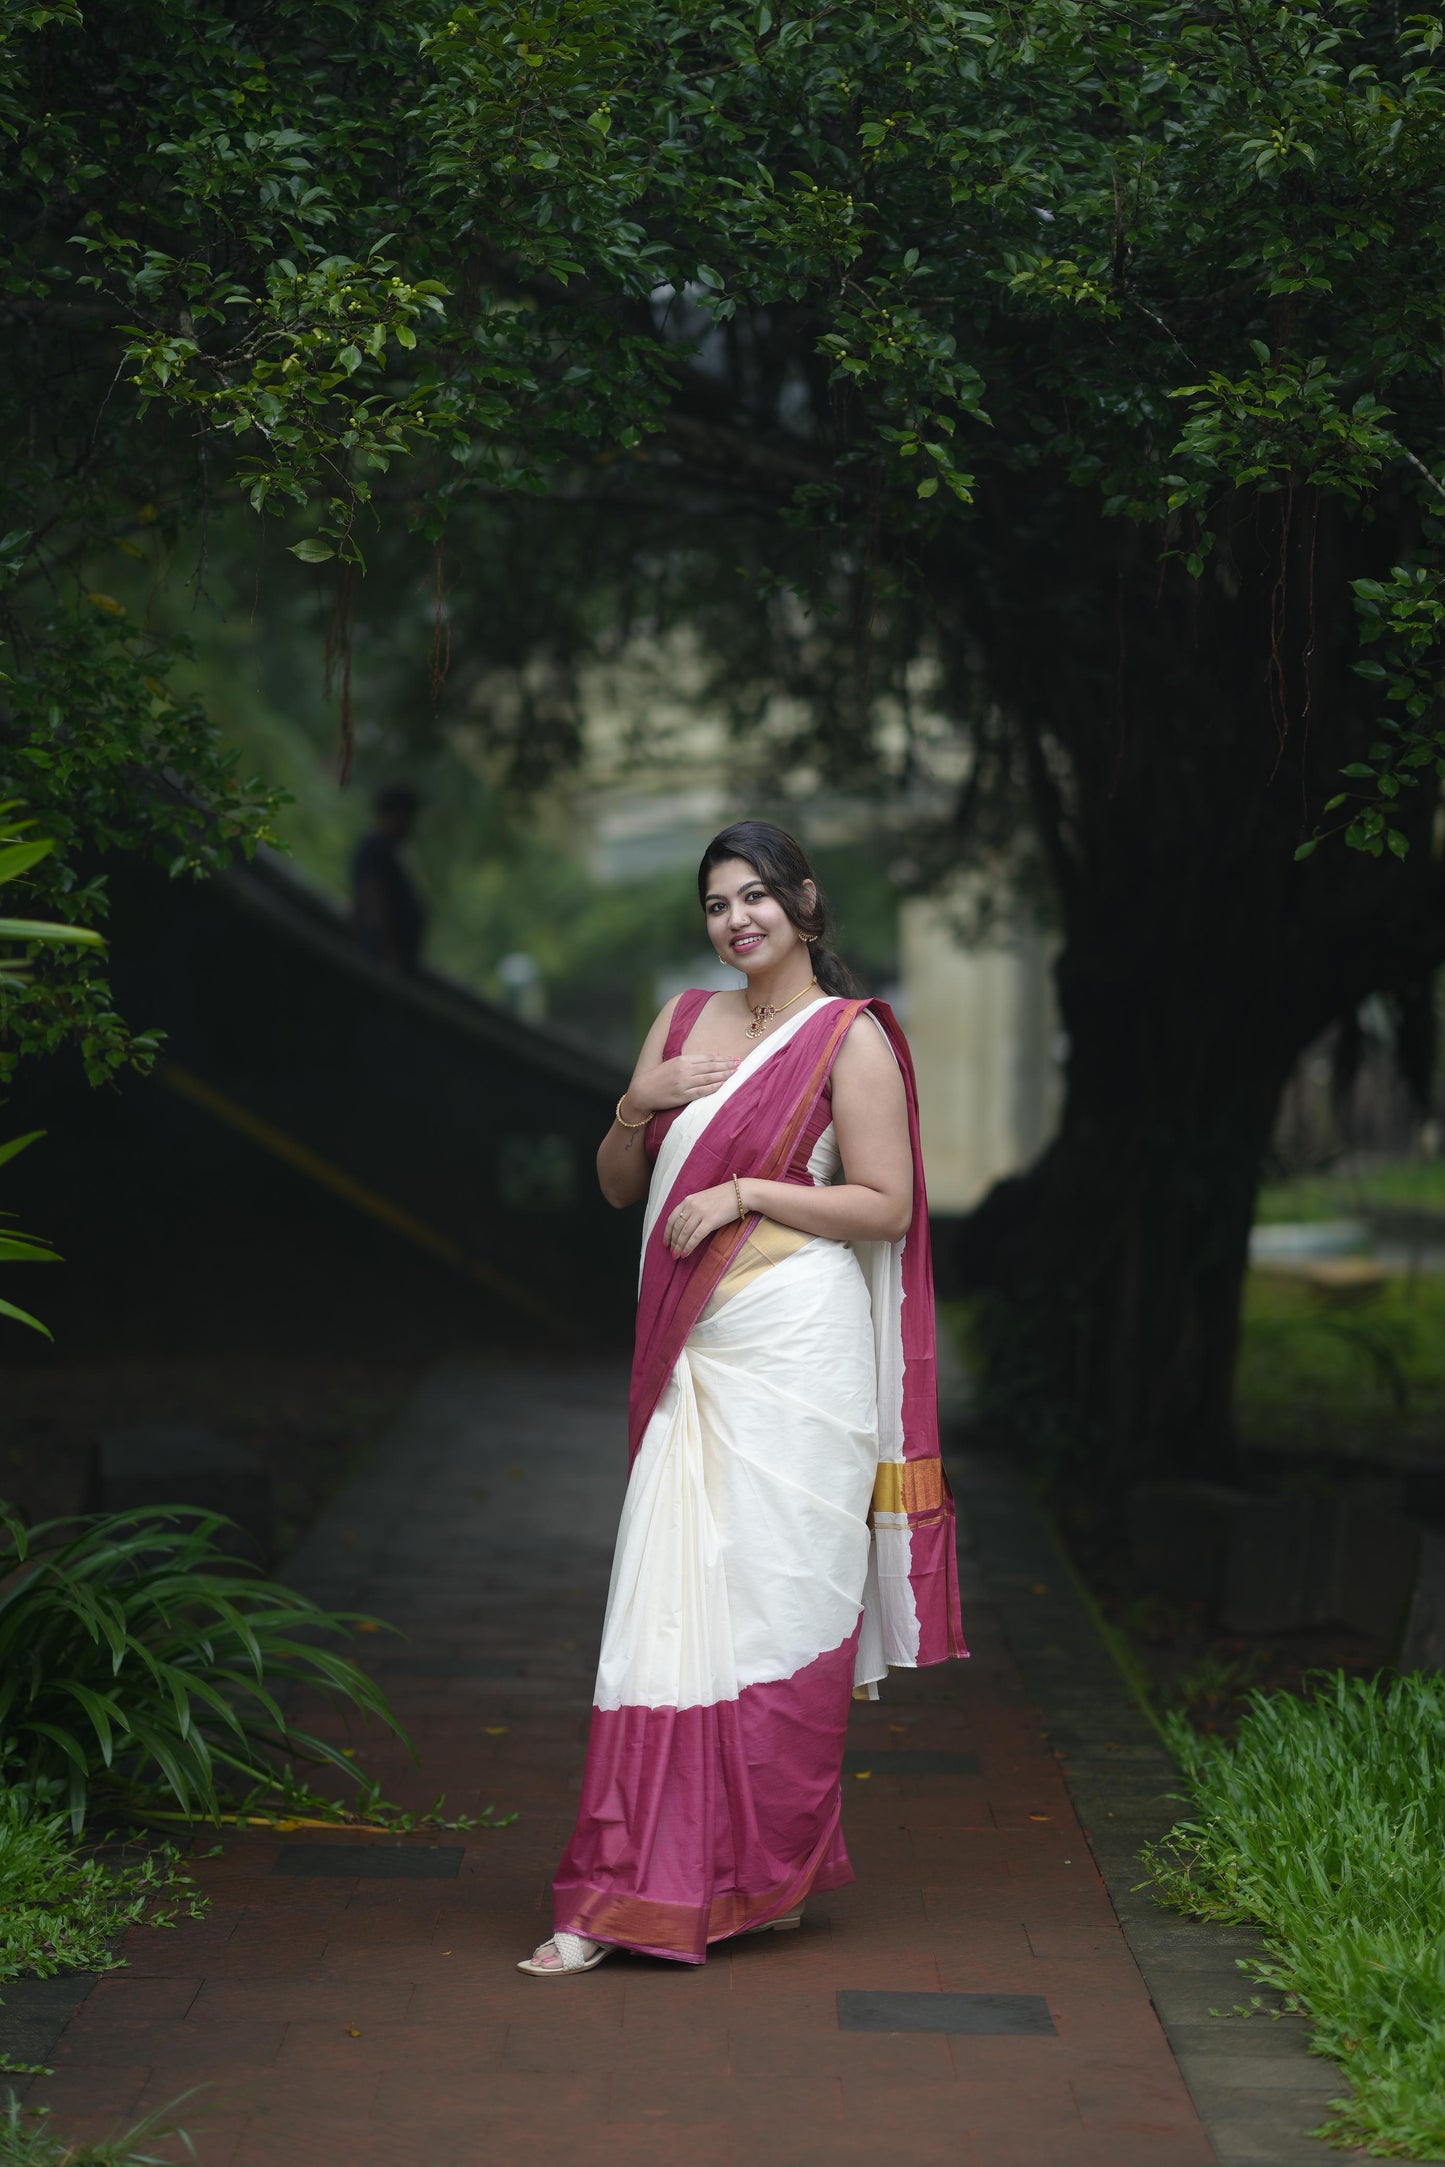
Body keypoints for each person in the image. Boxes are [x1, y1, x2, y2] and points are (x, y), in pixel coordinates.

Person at [519, 819, 966, 1977]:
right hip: (693, 1354)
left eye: (756, 895)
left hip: (797, 1357)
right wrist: (638, 1098)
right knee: (653, 1615)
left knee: (777, 1609)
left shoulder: (849, 1040)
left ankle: (755, 1872)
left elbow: (887, 1205)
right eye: (717, 903)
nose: (736, 920)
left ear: (804, 903)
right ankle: (621, 1885)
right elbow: (619, 1186)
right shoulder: (679, 1024)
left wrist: (743, 1194)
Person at [350, 784, 425, 972]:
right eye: (407, 817)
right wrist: (388, 952)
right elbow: (373, 900)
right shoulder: (374, 848)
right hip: (380, 957)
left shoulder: (388, 851)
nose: (411, 825)